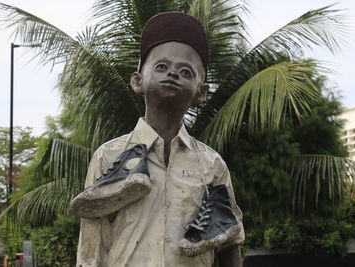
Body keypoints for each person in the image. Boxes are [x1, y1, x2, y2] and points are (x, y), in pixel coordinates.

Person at [74, 11, 244, 267]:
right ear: (137, 80)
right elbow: (90, 247)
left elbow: (229, 243)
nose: (173, 74)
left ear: (201, 93)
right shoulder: (108, 157)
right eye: (161, 67)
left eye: (186, 72)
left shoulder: (212, 164)